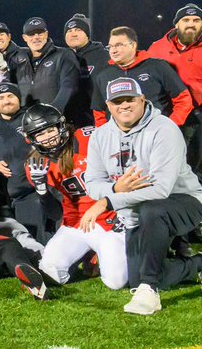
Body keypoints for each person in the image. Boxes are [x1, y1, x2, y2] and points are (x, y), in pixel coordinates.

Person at [83, 77, 202, 315]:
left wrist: (108, 201)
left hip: (182, 200)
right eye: (117, 101)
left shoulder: (164, 128)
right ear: (108, 106)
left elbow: (161, 189)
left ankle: (149, 291)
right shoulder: (100, 136)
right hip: (135, 210)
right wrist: (115, 190)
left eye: (130, 99)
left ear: (142, 100)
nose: (124, 105)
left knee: (152, 213)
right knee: (136, 278)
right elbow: (92, 183)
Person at [19, 104, 125, 290]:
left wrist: (124, 212)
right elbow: (55, 214)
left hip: (110, 217)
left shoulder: (87, 138)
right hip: (76, 223)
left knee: (116, 281)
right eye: (40, 134)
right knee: (50, 270)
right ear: (31, 139)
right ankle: (87, 254)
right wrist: (42, 190)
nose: (48, 138)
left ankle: (102, 254)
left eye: (50, 130)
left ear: (61, 126)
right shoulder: (35, 164)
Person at [147, 3, 202, 189]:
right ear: (176, 24)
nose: (191, 24)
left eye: (196, 20)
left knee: (195, 171)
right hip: (162, 118)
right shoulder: (156, 48)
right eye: (186, 20)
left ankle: (195, 208)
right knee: (158, 169)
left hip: (196, 120)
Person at [0, 83, 61, 244]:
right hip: (21, 195)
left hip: (50, 186)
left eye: (10, 96)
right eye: (1, 98)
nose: (6, 101)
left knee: (59, 233)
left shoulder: (33, 117)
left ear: (19, 99)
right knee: (35, 241)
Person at [90, 26, 193, 127]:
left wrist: (170, 126)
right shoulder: (103, 75)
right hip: (118, 135)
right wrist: (104, 133)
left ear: (133, 45)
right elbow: (99, 112)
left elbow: (183, 100)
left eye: (118, 45)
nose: (113, 50)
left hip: (154, 132)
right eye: (110, 46)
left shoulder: (158, 66)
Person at [10, 17, 87, 127]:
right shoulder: (19, 61)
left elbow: (69, 86)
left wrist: (52, 113)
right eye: (31, 34)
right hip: (29, 126)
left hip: (58, 123)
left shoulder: (64, 55)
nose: (36, 37)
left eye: (40, 33)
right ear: (24, 38)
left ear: (46, 34)